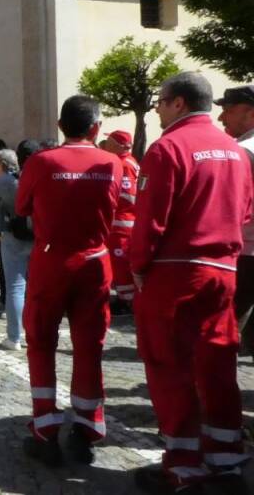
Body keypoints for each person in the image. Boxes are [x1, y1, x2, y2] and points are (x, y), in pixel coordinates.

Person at [130, 74, 253, 493]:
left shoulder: (167, 148)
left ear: (178, 103)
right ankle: (227, 457)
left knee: (169, 366)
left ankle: (183, 465)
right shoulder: (236, 151)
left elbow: (150, 221)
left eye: (160, 103)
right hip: (224, 270)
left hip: (176, 272)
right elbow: (246, 212)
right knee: (218, 364)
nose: (158, 111)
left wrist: (138, 266)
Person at [15, 95, 122, 467]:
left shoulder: (41, 162)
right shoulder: (113, 162)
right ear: (96, 128)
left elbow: (22, 207)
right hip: (95, 262)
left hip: (50, 260)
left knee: (41, 343)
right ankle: (86, 428)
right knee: (89, 347)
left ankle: (44, 428)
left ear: (60, 127)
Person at [0, 145, 38, 351]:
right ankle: (33, 335)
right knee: (34, 289)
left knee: (16, 287)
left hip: (12, 234)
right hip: (36, 234)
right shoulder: (34, 176)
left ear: (3, 164)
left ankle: (14, 337)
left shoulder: (6, 181)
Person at [218, 85, 254, 360]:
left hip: (246, 252)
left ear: (250, 113)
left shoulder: (241, 151)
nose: (222, 118)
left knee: (226, 327)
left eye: (229, 111)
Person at [102, 130, 141, 311]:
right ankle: (125, 298)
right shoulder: (129, 161)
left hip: (122, 224)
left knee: (122, 266)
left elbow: (128, 196)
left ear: (118, 145)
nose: (106, 142)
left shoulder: (124, 164)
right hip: (123, 223)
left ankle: (129, 302)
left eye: (109, 140)